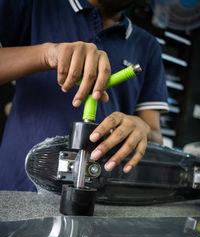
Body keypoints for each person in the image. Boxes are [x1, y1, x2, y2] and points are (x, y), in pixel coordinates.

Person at [0, 0, 168, 191]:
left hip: (102, 200)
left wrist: (142, 128)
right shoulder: (36, 5)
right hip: (16, 188)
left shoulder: (148, 46)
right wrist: (46, 55)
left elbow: (155, 136)